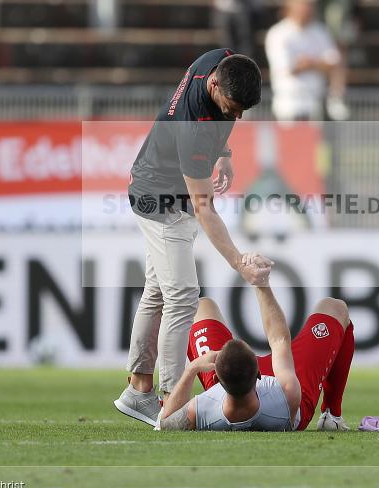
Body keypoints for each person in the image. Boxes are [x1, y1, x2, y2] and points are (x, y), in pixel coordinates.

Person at [115, 49, 271, 426]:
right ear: (215, 84)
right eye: (232, 108)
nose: (235, 116)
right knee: (183, 295)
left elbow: (224, 113)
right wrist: (239, 263)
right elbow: (205, 209)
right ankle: (171, 399)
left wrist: (227, 150)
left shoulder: (220, 60)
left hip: (159, 189)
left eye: (241, 113)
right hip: (161, 201)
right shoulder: (194, 128)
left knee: (157, 291)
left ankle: (137, 392)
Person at [157, 253, 355, 431]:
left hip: (232, 390)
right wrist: (261, 283)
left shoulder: (204, 406)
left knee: (201, 305)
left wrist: (192, 369)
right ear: (260, 373)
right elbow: (279, 339)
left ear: (215, 374)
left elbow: (164, 422)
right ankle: (332, 414)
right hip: (289, 401)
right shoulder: (288, 394)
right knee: (335, 307)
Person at [265, 0, 348, 122]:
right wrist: (318, 65)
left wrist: (310, 64)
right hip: (288, 107)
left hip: (316, 106)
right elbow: (289, 68)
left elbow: (334, 64)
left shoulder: (320, 31)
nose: (308, 8)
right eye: (304, 2)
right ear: (292, 2)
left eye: (311, 3)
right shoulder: (278, 33)